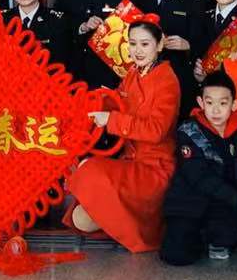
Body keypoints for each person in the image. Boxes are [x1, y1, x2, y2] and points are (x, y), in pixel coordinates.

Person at [66, 20, 178, 252]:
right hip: (131, 162)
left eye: (145, 44)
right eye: (133, 43)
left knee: (90, 171)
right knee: (81, 212)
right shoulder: (133, 73)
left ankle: (132, 230)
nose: (138, 50)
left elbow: (156, 130)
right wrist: (91, 102)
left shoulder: (167, 80)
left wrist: (111, 120)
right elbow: (117, 100)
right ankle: (120, 224)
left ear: (159, 45)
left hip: (154, 168)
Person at [160, 71, 237, 266]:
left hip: (221, 203)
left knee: (232, 232)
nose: (215, 110)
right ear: (201, 102)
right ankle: (197, 237)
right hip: (188, 203)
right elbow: (199, 177)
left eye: (223, 103)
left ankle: (215, 237)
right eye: (209, 102)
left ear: (234, 105)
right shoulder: (188, 131)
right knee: (177, 255)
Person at [136, 0, 205, 104]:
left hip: (177, 79)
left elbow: (204, 42)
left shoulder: (194, 1)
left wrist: (188, 45)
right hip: (141, 80)